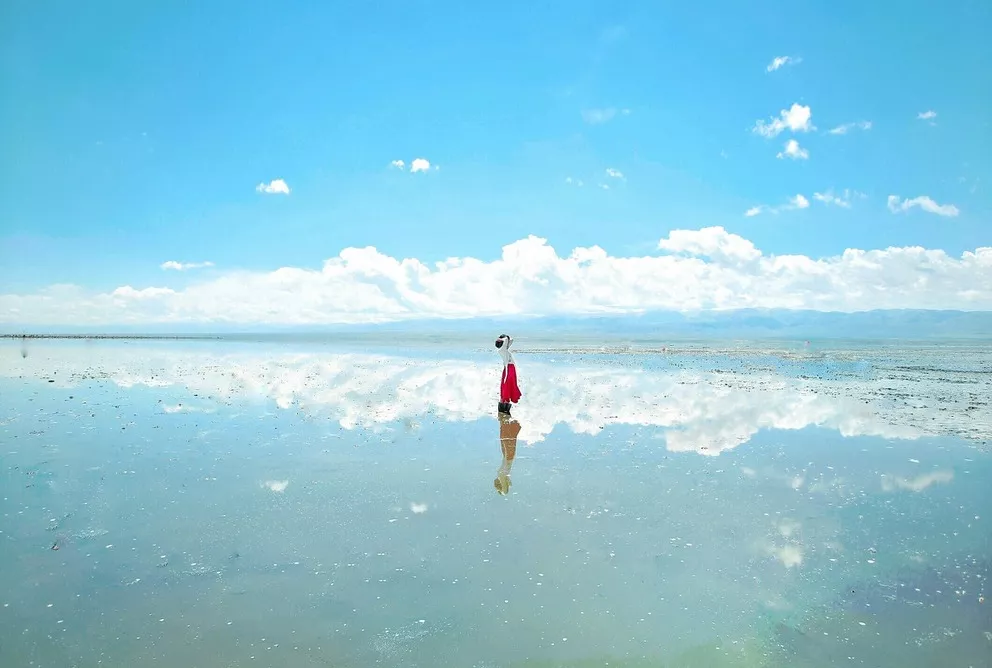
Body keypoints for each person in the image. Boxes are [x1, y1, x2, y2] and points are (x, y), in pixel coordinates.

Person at [494, 412, 521, 495]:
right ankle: (506, 420)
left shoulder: (502, 476)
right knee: (507, 437)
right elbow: (506, 488)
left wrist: (501, 490)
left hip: (508, 457)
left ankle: (505, 420)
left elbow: (505, 491)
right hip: (508, 457)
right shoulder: (504, 476)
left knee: (506, 437)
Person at [494, 334, 521, 415]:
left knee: (508, 385)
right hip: (509, 368)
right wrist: (504, 337)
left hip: (510, 368)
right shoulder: (502, 350)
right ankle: (504, 407)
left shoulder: (504, 349)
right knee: (506, 386)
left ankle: (504, 407)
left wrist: (506, 337)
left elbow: (511, 340)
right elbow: (507, 341)